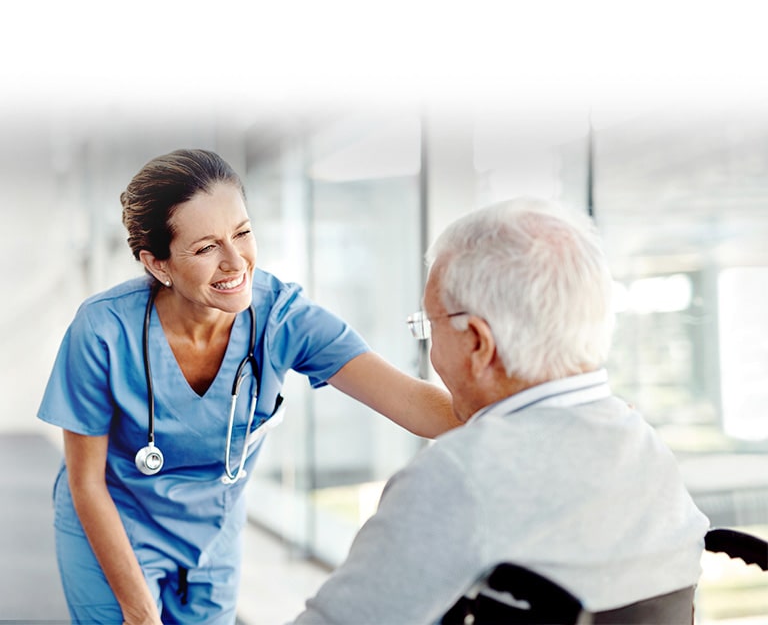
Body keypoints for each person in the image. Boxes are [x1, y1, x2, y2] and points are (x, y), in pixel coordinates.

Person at [37, 148, 460, 625]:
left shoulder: (283, 317)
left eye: (241, 233)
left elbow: (413, 404)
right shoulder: (102, 330)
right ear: (158, 265)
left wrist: (528, 397)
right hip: (115, 523)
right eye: (205, 248)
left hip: (213, 534)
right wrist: (139, 612)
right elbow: (85, 482)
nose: (236, 261)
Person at [289, 197, 710, 624]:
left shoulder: (457, 475)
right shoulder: (646, 448)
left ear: (476, 342)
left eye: (429, 327)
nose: (431, 348)